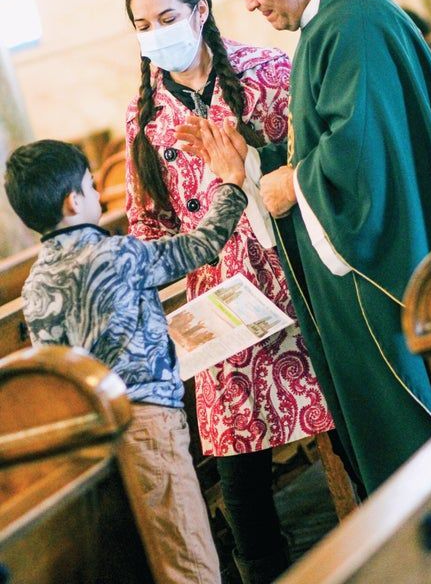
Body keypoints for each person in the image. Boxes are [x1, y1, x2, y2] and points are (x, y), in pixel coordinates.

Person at [215, 0, 431, 495]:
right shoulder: (335, 21)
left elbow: (360, 161)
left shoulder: (351, 26)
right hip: (377, 264)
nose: (248, 3)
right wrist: (251, 165)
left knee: (421, 470)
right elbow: (330, 144)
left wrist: (290, 183)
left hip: (384, 276)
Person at [124, 0, 335, 584]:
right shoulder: (146, 119)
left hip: (295, 286)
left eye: (167, 17)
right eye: (142, 24)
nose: (156, 32)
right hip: (220, 306)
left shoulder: (271, 74)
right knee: (241, 483)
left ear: (200, 11)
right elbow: (147, 228)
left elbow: (316, 166)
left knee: (345, 433)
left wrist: (252, 168)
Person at [4, 135, 248, 584]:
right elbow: (198, 247)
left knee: (147, 560)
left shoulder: (35, 287)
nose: (99, 194)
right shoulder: (118, 254)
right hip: (146, 425)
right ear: (73, 201)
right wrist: (232, 186)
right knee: (189, 557)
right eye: (93, 187)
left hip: (93, 438)